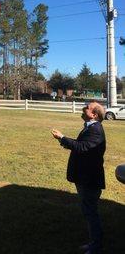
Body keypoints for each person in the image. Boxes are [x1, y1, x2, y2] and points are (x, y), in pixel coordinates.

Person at [51, 102, 106, 254]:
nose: (84, 108)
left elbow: (82, 147)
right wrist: (64, 140)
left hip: (89, 179)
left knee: (91, 212)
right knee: (88, 211)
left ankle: (96, 246)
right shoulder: (90, 127)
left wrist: (61, 137)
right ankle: (94, 243)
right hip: (85, 177)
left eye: (87, 107)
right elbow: (81, 145)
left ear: (94, 115)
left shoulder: (95, 130)